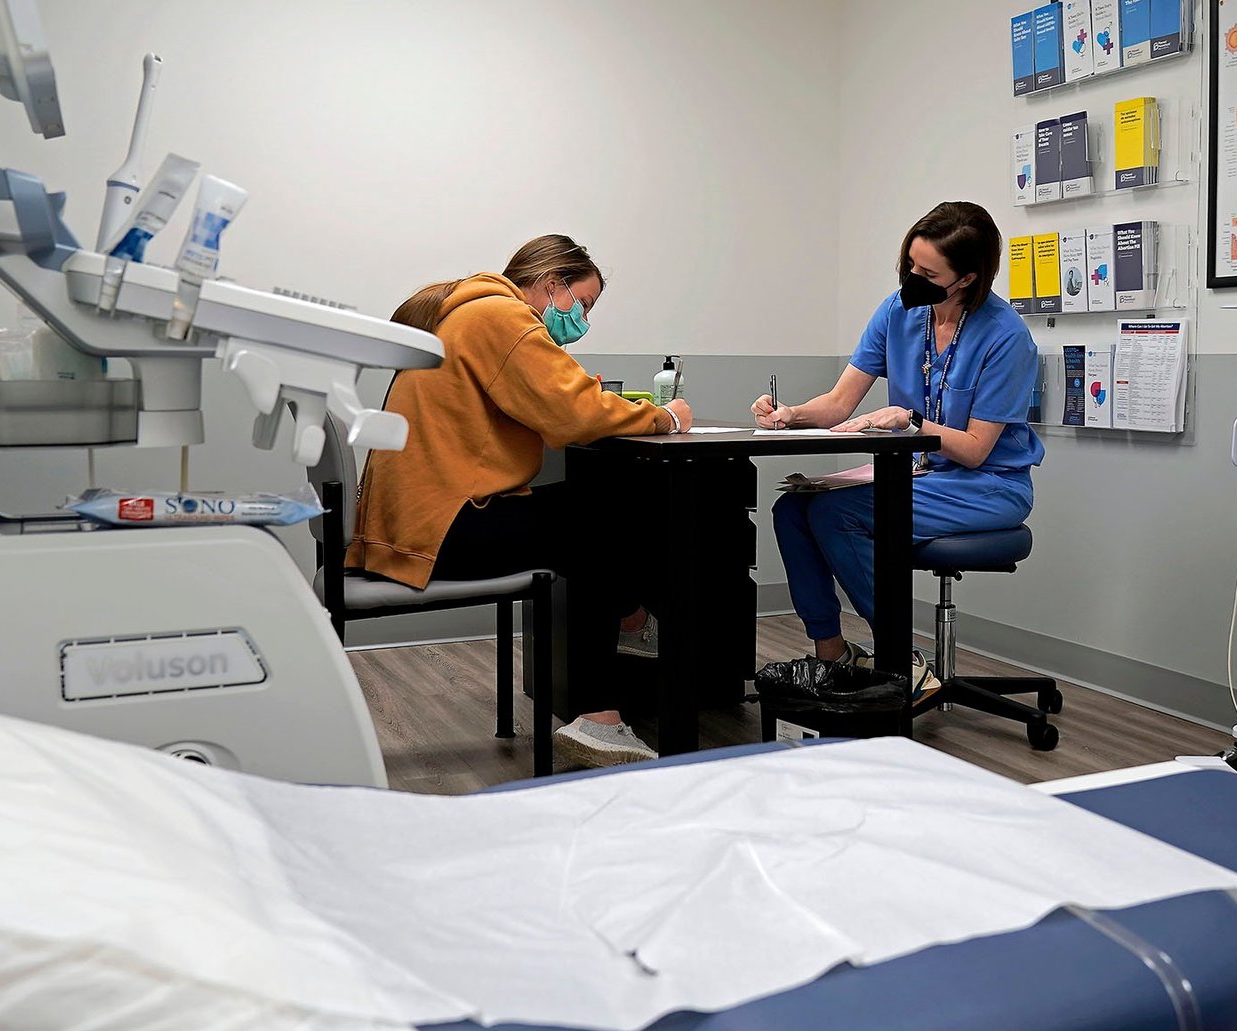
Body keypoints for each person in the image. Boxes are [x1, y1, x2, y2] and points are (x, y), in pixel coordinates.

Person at [347, 235, 692, 767]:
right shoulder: (501, 318)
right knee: (596, 521)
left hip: (411, 523)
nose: (583, 320)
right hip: (443, 530)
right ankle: (615, 680)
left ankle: (630, 634)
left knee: (587, 515)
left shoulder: (464, 310)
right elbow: (573, 413)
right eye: (583, 304)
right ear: (552, 284)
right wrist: (666, 417)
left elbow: (549, 402)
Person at [750, 202, 1043, 701]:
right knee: (792, 509)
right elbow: (839, 403)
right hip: (919, 474)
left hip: (987, 486)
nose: (913, 279)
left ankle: (901, 661)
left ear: (967, 278)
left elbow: (976, 450)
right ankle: (833, 657)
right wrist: (789, 414)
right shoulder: (897, 311)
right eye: (910, 265)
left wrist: (910, 420)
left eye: (928, 274)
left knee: (834, 514)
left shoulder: (1006, 337)